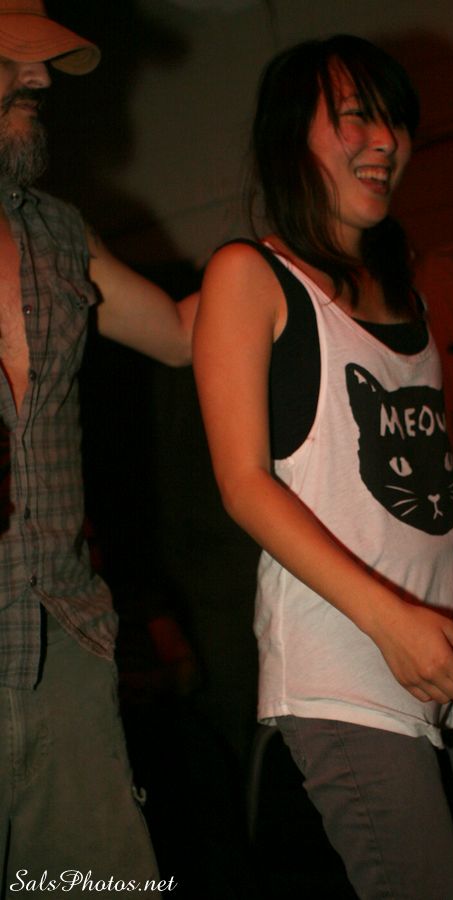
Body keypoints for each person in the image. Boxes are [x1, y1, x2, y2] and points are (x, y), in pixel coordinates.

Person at [194, 34, 453, 900]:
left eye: (395, 122)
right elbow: (242, 485)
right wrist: (392, 623)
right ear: (289, 134)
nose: (386, 142)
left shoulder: (404, 288)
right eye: (356, 117)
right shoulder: (249, 274)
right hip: (346, 667)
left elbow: (433, 483)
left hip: (442, 646)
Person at [0, 1, 198, 894]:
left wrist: (293, 261)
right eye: (13, 57)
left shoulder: (56, 231)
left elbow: (182, 334)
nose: (39, 77)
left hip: (65, 649)